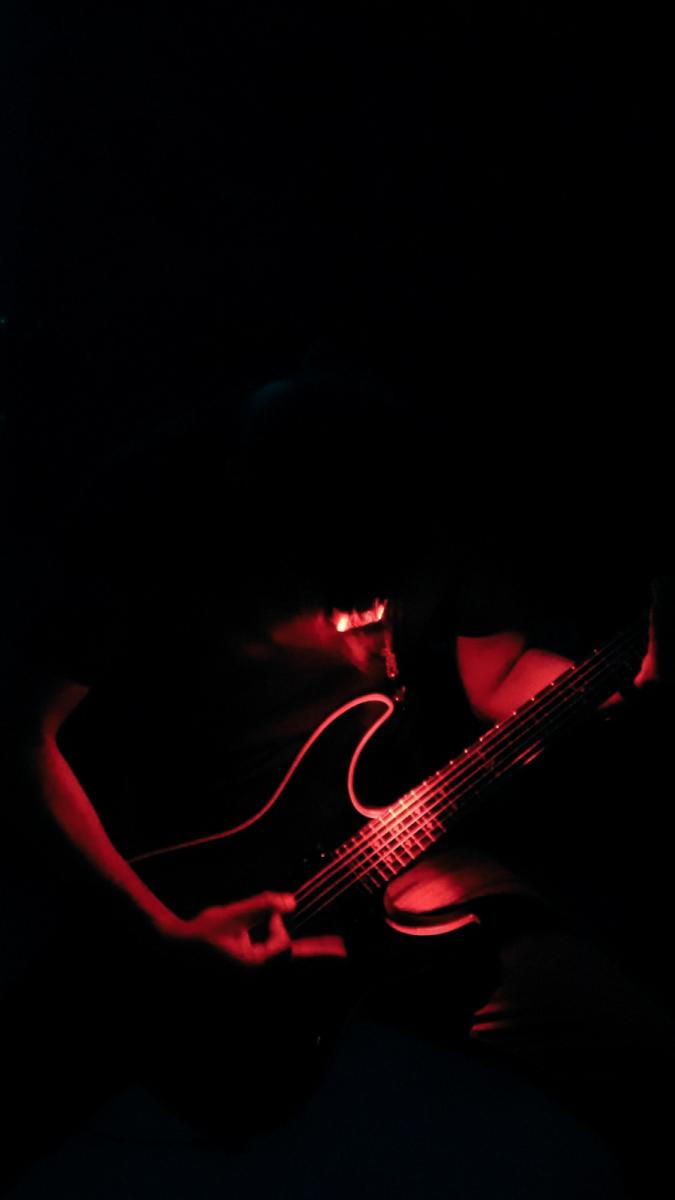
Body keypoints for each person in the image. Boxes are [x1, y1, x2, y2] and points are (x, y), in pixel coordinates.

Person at [2, 368, 672, 1194]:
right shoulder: (153, 520)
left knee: (636, 1053)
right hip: (172, 878)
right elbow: (15, 735)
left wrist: (604, 687)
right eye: (339, 579)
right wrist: (156, 934)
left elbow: (497, 675)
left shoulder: (446, 518)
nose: (371, 617)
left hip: (389, 853)